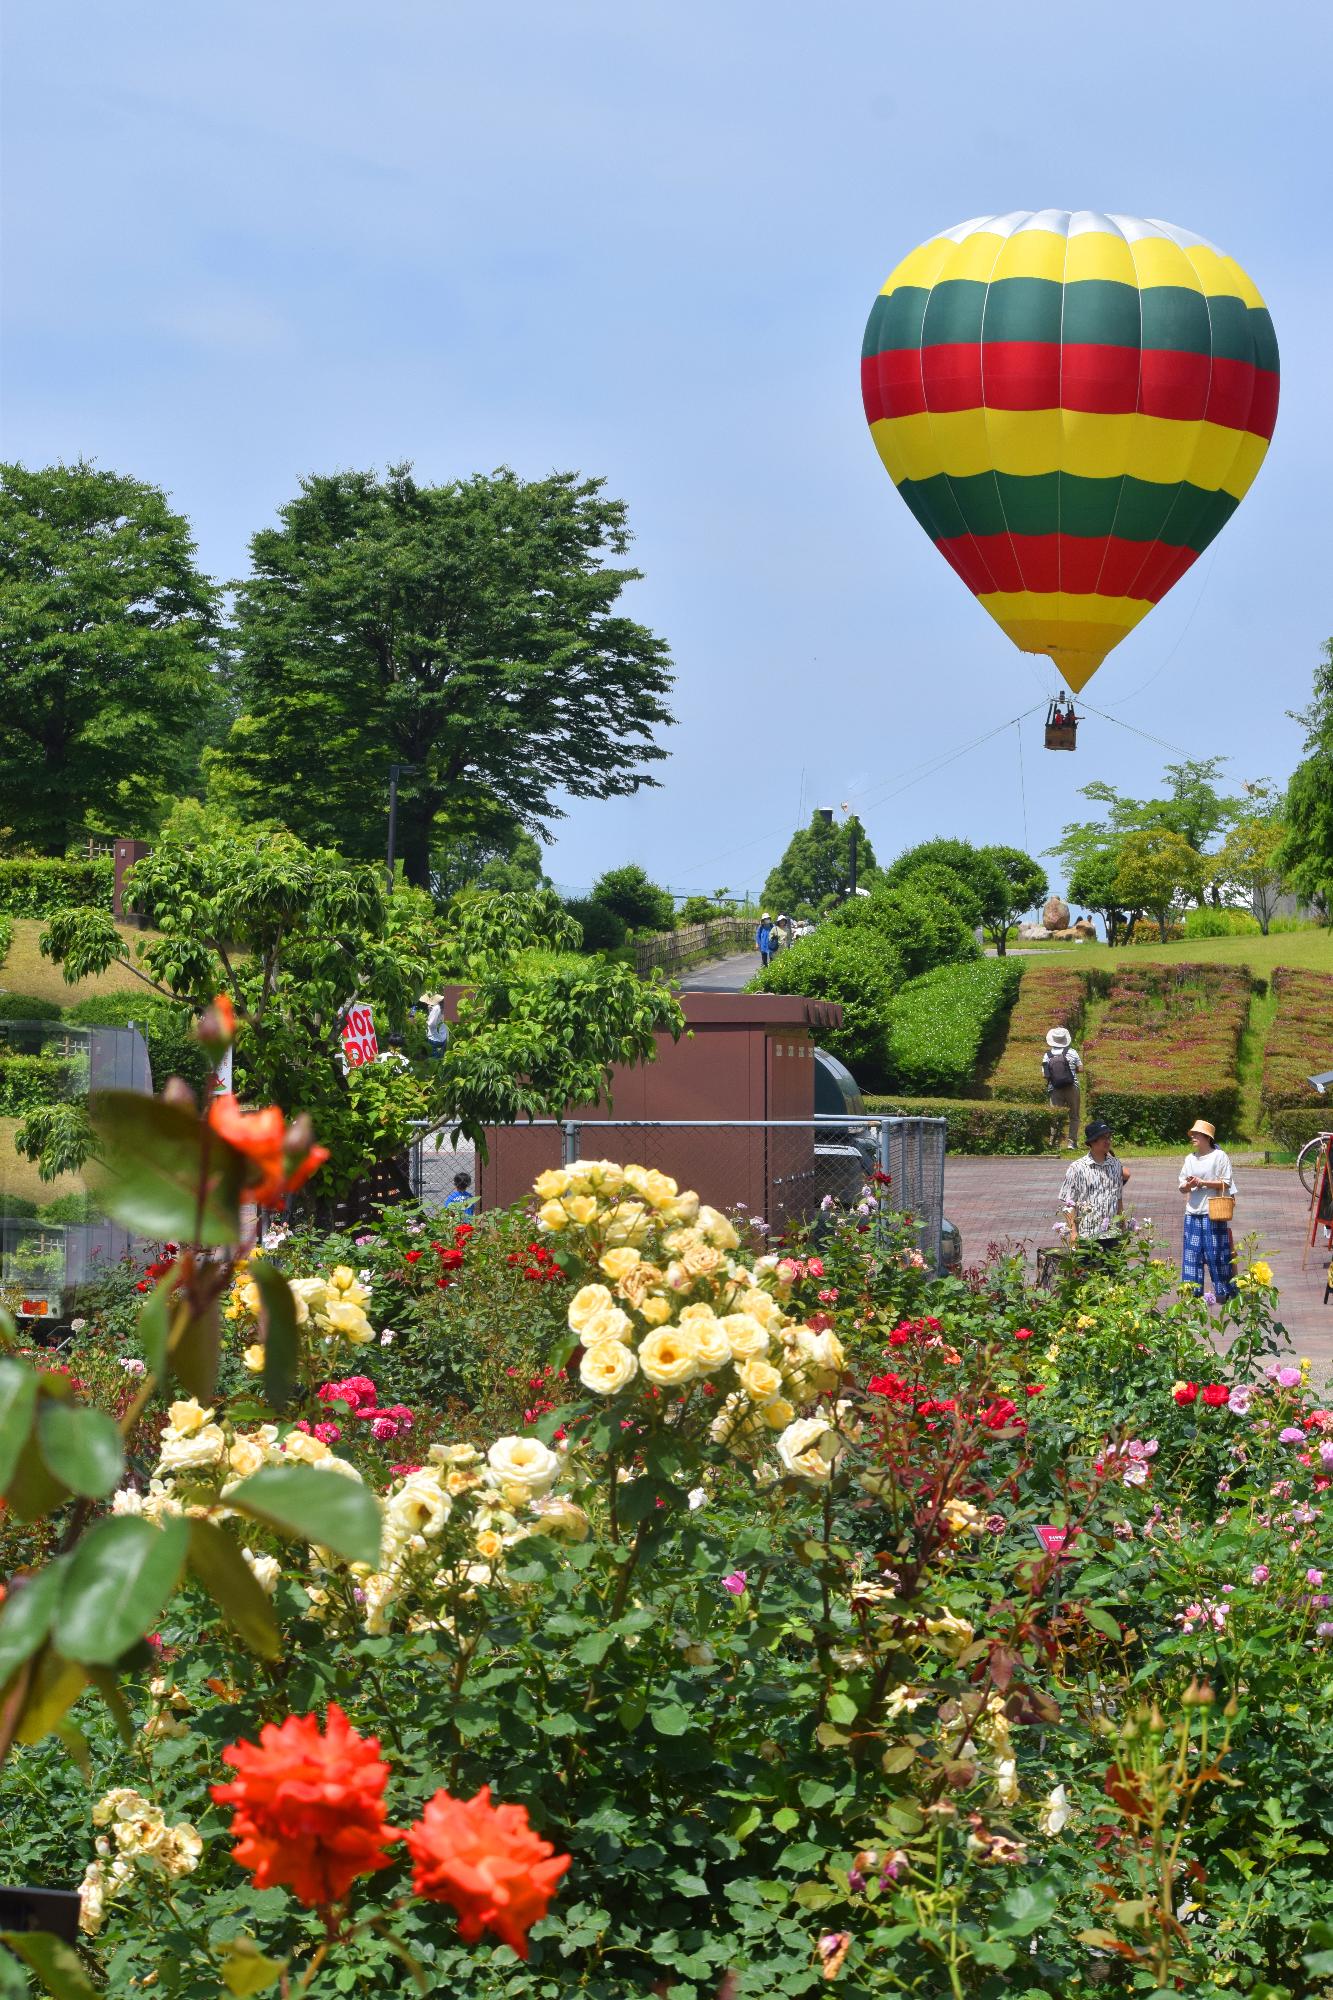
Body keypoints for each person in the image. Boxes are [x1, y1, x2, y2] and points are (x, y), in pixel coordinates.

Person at [1179, 1118, 1237, 1301]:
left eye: (1196, 1134)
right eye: (1193, 1134)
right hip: (1192, 1212)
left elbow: (1226, 1182)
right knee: (1192, 1254)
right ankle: (1191, 1292)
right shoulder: (1189, 1159)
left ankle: (1224, 1291)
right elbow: (1181, 1186)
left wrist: (1202, 1183)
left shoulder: (1219, 1157)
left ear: (1207, 1137)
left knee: (1217, 1253)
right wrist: (1188, 1185)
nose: (1193, 1137)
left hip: (1213, 1212)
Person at [1058, 1118, 1130, 1263]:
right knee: (1086, 1278)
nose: (1108, 1141)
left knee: (1113, 1279)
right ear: (1092, 1141)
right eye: (1103, 1138)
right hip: (1087, 1236)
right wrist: (1073, 1232)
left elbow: (1118, 1198)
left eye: (1109, 1137)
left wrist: (1123, 1225)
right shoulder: (1077, 1168)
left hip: (1112, 1234)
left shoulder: (1116, 1165)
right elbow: (1069, 1204)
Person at [1041, 1026, 1083, 1149]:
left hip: (1055, 1089)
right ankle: (1071, 1143)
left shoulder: (1047, 1055)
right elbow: (1081, 1068)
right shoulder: (1072, 1052)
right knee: (1074, 1116)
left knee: (1055, 1116)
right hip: (1072, 1087)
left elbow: (1044, 1074)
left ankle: (1054, 1143)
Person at [423, 992, 449, 1059]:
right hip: (443, 1037)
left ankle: (433, 1068)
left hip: (434, 1037)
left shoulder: (437, 1008)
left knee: (433, 1059)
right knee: (440, 1057)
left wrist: (427, 1022)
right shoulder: (445, 1007)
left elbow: (431, 1023)